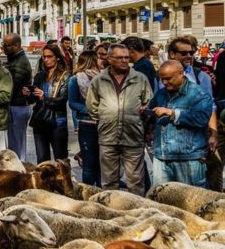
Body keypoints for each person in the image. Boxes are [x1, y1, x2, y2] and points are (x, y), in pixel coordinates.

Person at [86, 43, 153, 194]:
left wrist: (141, 119)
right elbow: (92, 106)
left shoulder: (140, 78)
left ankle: (136, 213)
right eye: (119, 57)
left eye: (127, 57)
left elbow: (149, 102)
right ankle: (111, 212)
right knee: (109, 181)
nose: (124, 61)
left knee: (136, 181)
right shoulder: (98, 80)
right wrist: (106, 118)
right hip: (108, 137)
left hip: (133, 136)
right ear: (109, 59)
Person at [147, 59, 214, 187]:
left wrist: (172, 113)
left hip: (188, 158)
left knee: (190, 202)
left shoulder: (199, 94)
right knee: (160, 200)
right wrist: (146, 113)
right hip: (162, 156)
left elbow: (201, 119)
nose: (164, 82)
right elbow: (152, 112)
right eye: (162, 79)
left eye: (168, 78)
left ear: (181, 74)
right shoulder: (161, 93)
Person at [30, 44, 70, 162]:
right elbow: (33, 100)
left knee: (61, 160)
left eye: (49, 56)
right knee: (42, 161)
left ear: (57, 57)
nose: (46, 59)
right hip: (40, 120)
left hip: (57, 122)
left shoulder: (65, 76)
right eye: (44, 57)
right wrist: (29, 94)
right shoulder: (40, 75)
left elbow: (62, 100)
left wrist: (44, 97)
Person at [68, 50, 101, 186]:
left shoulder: (103, 77)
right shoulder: (76, 79)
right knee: (89, 161)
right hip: (87, 123)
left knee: (103, 161)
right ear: (91, 60)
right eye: (98, 58)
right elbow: (72, 102)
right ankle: (87, 189)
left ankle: (101, 188)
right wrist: (91, 110)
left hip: (105, 123)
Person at [3, 33, 33, 162]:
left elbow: (12, 86)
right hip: (15, 105)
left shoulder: (20, 62)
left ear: (16, 45)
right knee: (14, 142)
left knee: (17, 144)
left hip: (17, 106)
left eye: (7, 45)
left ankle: (18, 169)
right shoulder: (14, 59)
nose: (4, 48)